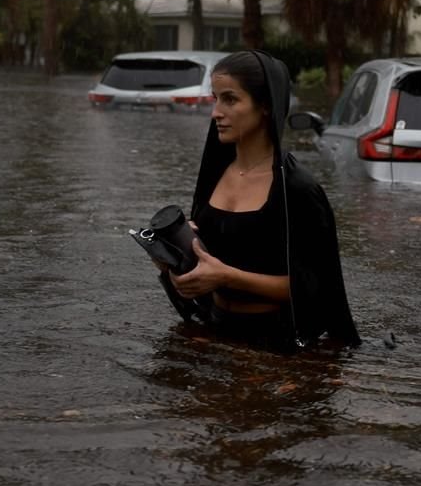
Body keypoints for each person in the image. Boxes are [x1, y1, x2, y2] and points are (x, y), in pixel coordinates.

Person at [155, 50, 361, 353]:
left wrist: (226, 276)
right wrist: (173, 262)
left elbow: (315, 290)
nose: (216, 113)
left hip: (277, 345)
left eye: (230, 99)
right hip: (215, 330)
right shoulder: (213, 176)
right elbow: (203, 275)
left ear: (265, 105)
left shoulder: (298, 189)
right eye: (215, 99)